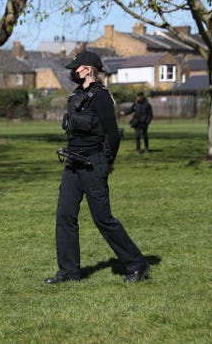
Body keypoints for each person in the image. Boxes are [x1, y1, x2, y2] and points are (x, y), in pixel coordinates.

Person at [45, 51, 150, 285]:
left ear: (88, 69)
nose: (73, 71)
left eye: (77, 67)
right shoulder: (76, 95)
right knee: (65, 216)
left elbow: (113, 135)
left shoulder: (100, 97)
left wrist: (108, 162)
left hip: (93, 164)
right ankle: (68, 272)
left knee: (103, 219)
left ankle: (137, 265)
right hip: (72, 163)